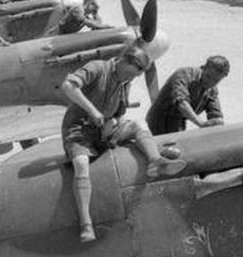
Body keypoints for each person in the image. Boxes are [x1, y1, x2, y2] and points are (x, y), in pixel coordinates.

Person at [61, 44, 186, 243]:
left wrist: (112, 122)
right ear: (123, 61)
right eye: (132, 74)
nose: (132, 79)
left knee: (139, 124)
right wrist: (93, 111)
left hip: (105, 130)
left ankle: (156, 161)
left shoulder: (124, 81)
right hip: (78, 131)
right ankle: (86, 224)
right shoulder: (97, 68)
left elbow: (119, 113)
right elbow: (68, 86)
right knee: (81, 164)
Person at [147, 56, 230, 136]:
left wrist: (217, 122)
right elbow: (182, 103)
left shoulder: (212, 90)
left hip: (178, 123)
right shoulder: (184, 74)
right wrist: (201, 123)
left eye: (216, 80)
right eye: (208, 76)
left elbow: (216, 115)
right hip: (159, 120)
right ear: (204, 68)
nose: (210, 82)